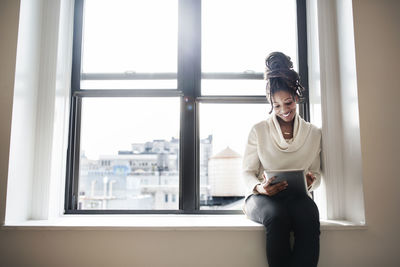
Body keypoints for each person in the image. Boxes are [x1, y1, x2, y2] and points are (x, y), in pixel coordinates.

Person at [242, 52, 322, 267]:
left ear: (296, 98)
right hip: (262, 199)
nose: (284, 111)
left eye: (288, 103)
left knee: (309, 214)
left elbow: (318, 172)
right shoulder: (258, 130)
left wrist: (311, 181)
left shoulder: (313, 133)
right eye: (277, 106)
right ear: (270, 104)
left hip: (297, 198)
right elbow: (247, 172)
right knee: (277, 218)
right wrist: (260, 188)